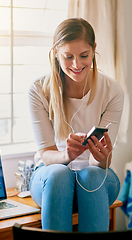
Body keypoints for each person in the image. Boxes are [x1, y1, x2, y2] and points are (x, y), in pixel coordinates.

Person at [29, 18, 124, 232]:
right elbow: (46, 155)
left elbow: (100, 164)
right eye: (68, 56)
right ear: (55, 52)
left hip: (97, 178)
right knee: (58, 173)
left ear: (93, 50)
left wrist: (102, 157)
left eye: (84, 56)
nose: (76, 65)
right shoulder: (39, 90)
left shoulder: (112, 90)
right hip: (50, 181)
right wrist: (67, 156)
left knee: (90, 174)